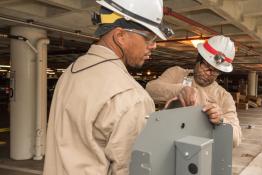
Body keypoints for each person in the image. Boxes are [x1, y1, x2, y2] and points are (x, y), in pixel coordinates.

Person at [43, 0, 173, 174]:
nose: (154, 45)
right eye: (148, 37)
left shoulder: (71, 72)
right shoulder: (131, 97)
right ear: (120, 36)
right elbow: (131, 170)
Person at [146, 35, 242, 147]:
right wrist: (180, 90)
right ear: (198, 59)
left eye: (215, 71)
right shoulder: (177, 74)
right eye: (205, 65)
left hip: (199, 152)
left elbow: (236, 139)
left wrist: (221, 120)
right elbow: (150, 89)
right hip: (165, 144)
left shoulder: (224, 97)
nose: (208, 73)